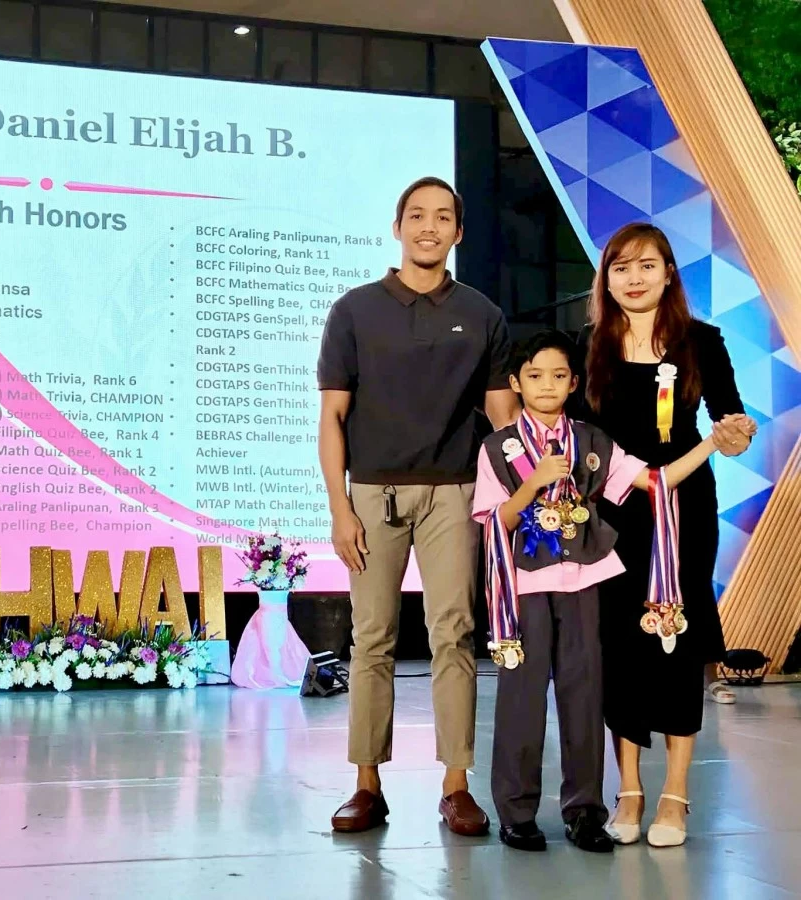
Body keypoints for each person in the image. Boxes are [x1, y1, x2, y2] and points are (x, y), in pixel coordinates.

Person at [318, 176, 521, 835]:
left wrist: (535, 471)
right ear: (397, 226)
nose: (428, 227)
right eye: (416, 215)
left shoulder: (483, 314)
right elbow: (332, 417)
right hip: (373, 493)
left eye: (443, 218)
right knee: (371, 637)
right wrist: (339, 508)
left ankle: (456, 784)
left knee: (454, 635)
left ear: (459, 233)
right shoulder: (354, 310)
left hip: (456, 492)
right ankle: (367, 784)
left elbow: (501, 416)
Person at [473, 330, 723, 853]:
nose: (547, 386)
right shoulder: (498, 448)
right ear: (515, 383)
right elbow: (497, 519)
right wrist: (533, 481)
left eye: (559, 376)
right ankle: (517, 811)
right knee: (521, 696)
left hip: (584, 578)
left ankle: (584, 809)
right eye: (535, 376)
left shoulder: (591, 441)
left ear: (575, 383)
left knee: (585, 693)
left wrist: (710, 444)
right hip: (523, 585)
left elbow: (654, 482)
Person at [575, 222, 756, 848]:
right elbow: (577, 440)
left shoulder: (701, 341)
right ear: (607, 279)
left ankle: (676, 793)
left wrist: (735, 432)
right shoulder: (588, 346)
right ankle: (628, 789)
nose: (633, 278)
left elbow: (730, 415)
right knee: (617, 645)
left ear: (669, 273)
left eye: (646, 265)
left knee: (677, 637)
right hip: (612, 514)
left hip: (684, 507)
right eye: (620, 267)